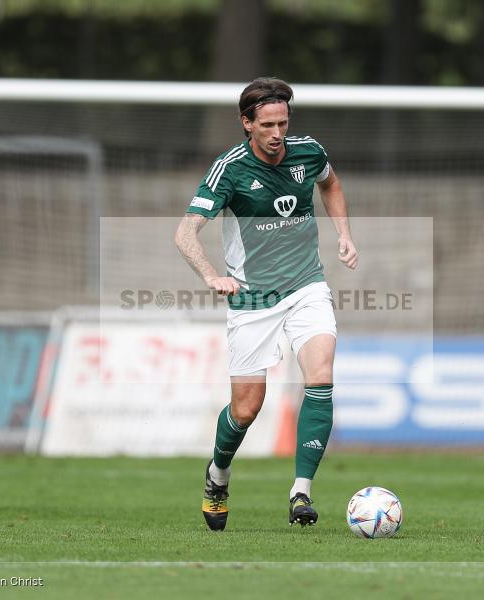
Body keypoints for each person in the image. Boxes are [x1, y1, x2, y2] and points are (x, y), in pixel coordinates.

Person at [174, 77, 357, 531]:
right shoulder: (230, 169)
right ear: (247, 124)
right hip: (253, 298)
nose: (278, 133)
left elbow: (330, 185)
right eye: (268, 125)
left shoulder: (308, 151)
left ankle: (301, 492)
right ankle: (218, 475)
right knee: (246, 409)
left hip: (306, 286)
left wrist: (345, 236)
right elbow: (184, 232)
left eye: (283, 122)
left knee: (321, 374)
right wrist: (212, 275)